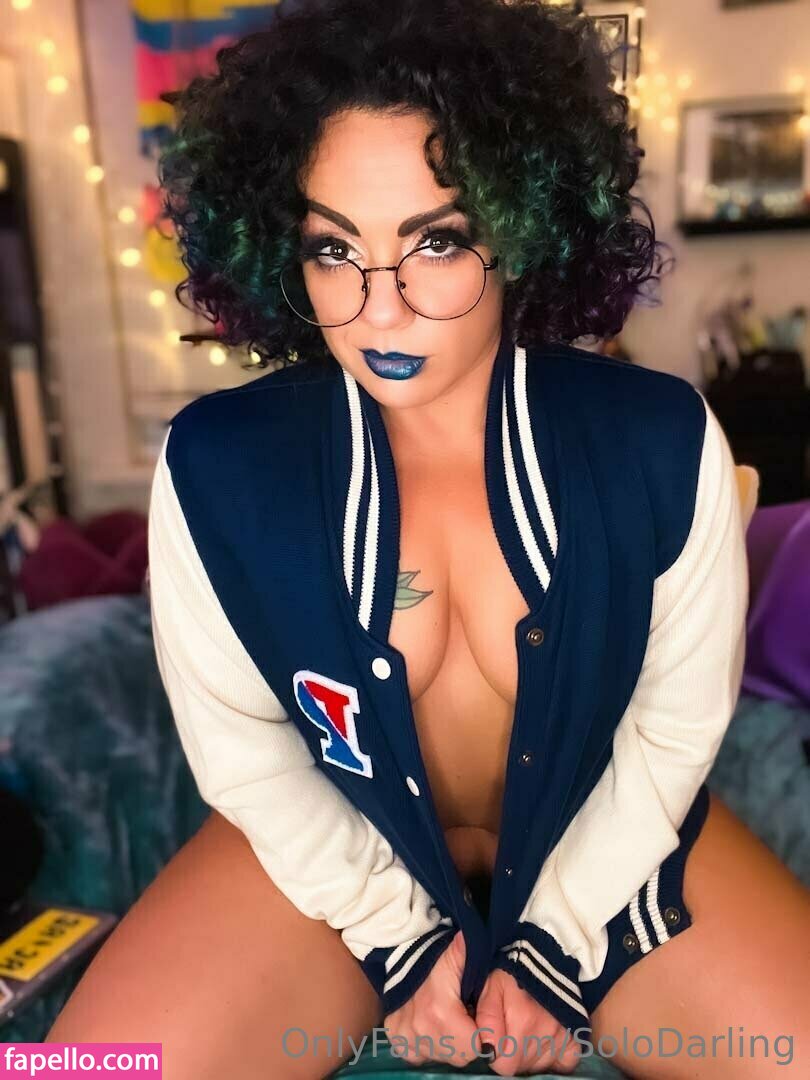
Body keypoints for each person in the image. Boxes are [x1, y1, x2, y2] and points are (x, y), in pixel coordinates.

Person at [47, 1, 810, 1077]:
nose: (378, 309)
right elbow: (243, 752)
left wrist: (554, 949)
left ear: (522, 229)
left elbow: (672, 732)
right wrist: (397, 941)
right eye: (333, 249)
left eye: (435, 243)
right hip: (339, 857)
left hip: (614, 849)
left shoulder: (659, 439)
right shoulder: (220, 467)